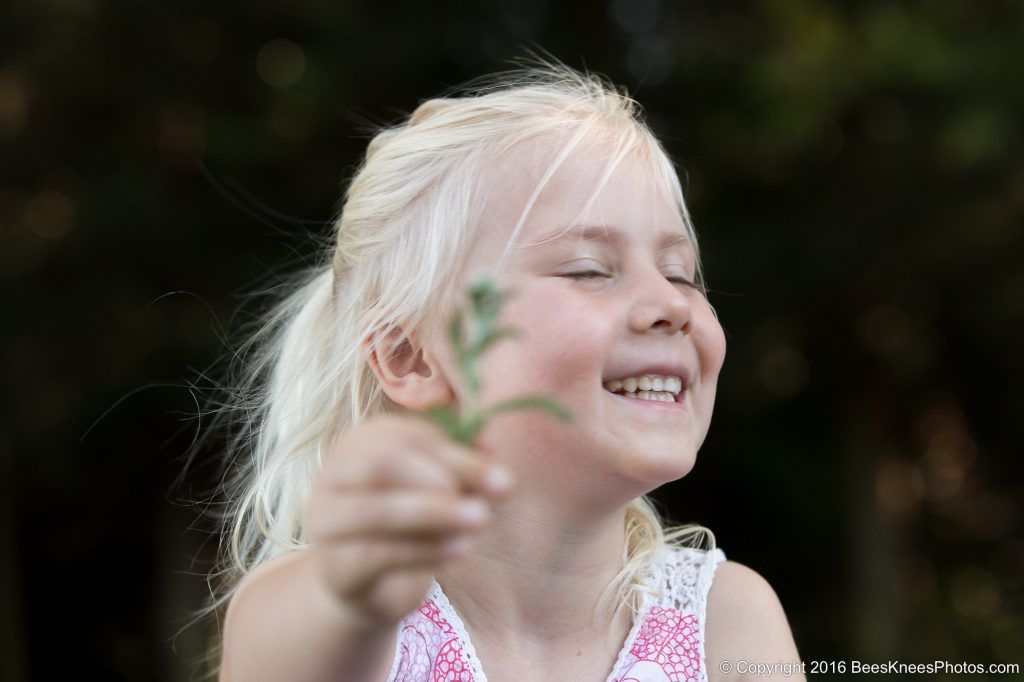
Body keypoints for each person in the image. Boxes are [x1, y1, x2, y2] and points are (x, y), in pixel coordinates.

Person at [206, 59, 804, 682]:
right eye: (588, 270)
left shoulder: (727, 624)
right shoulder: (324, 615)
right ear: (410, 357)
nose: (672, 305)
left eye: (681, 273)